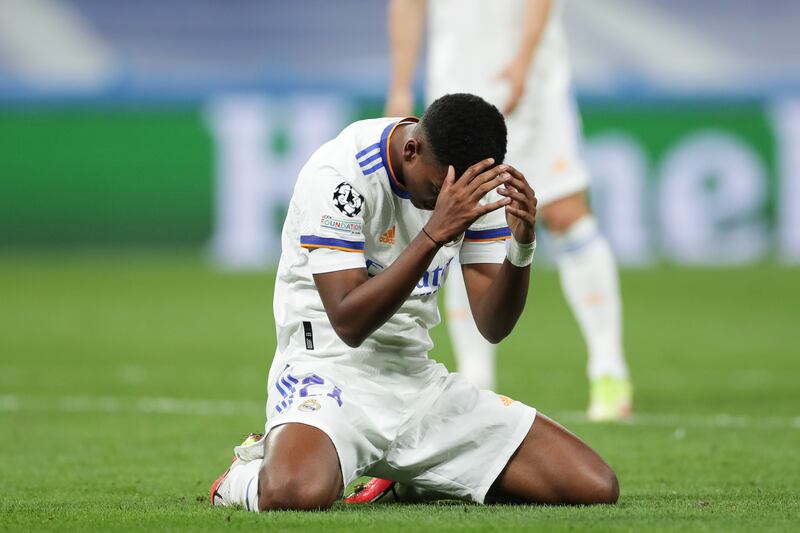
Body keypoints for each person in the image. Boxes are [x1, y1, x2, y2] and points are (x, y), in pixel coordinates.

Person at [209, 93, 618, 511]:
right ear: (411, 150)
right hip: (327, 373)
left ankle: (409, 479)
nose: (447, 201)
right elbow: (348, 322)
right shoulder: (339, 176)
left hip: (417, 382)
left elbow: (493, 326)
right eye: (438, 188)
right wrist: (434, 234)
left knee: (594, 487)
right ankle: (244, 474)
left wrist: (523, 245)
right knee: (295, 493)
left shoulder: (472, 186)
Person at [386, 0, 632, 421]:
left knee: (564, 212)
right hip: (456, 80)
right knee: (462, 219)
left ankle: (609, 370)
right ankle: (477, 379)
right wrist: (401, 83)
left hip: (528, 79)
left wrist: (523, 59)